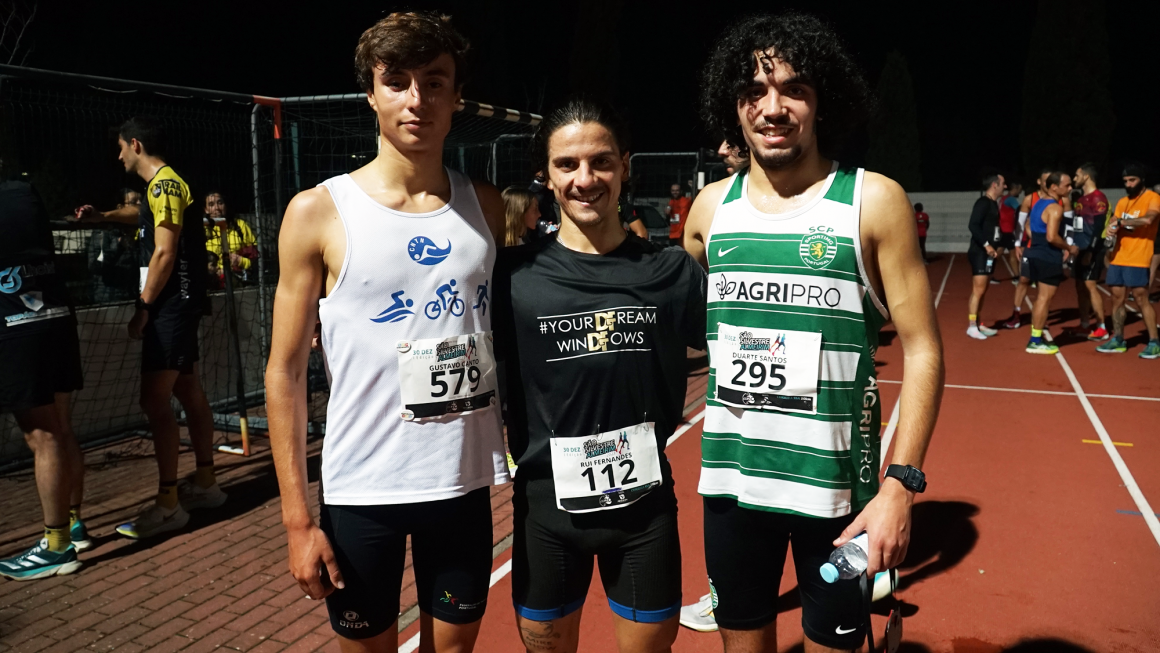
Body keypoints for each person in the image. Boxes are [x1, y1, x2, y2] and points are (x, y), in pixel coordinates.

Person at [685, 12, 944, 652]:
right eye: (754, 91)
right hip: (731, 490)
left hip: (840, 498)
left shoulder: (873, 201)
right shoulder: (710, 210)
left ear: (822, 100)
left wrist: (901, 486)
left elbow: (923, 349)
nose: (772, 108)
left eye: (793, 89)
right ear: (734, 106)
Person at [265, 13, 510, 653]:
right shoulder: (318, 212)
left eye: (434, 81)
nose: (416, 99)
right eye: (396, 81)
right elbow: (283, 371)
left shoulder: (485, 207)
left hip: (461, 485)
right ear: (371, 95)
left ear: (457, 96)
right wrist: (297, 522)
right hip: (362, 488)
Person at [493, 98, 706, 653]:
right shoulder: (511, 277)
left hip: (644, 515)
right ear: (546, 175)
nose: (584, 180)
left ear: (625, 166)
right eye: (567, 164)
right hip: (546, 515)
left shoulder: (671, 272)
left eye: (601, 162)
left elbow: (739, 341)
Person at [75, 117, 225, 539]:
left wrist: (144, 307)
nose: (118, 156)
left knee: (153, 399)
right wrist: (104, 215)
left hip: (170, 306)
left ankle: (168, 504)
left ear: (136, 145)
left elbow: (164, 253)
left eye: (121, 147)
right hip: (181, 304)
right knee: (188, 390)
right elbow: (143, 215)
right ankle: (206, 483)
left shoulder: (164, 186)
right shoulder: (160, 188)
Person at [0, 167, 90, 580]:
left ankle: (56, 547)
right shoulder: (24, 190)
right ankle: (72, 523)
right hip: (56, 315)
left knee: (42, 435)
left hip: (19, 322)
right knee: (61, 427)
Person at [1096, 166, 1160, 358]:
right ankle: (1118, 339)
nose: (1128, 184)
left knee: (1141, 298)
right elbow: (1114, 222)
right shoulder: (1123, 202)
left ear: (1142, 179)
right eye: (1125, 181)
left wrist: (1122, 222)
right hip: (1119, 257)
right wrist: (1110, 233)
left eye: (1132, 180)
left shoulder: (1152, 198)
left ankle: (1154, 341)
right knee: (1116, 298)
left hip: (1139, 257)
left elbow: (1149, 220)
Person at [1021, 171, 1077, 355]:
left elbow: (1028, 226)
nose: (1070, 188)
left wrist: (1036, 242)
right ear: (1054, 187)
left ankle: (1036, 337)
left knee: (1041, 298)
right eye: (1067, 185)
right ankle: (1035, 341)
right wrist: (1069, 247)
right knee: (1044, 299)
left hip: (1035, 252)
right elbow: (1052, 236)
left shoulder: (1038, 203)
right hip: (1047, 255)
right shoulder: (1055, 208)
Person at [1002, 169, 1052, 329]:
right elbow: (1021, 224)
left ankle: (1040, 319)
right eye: (1045, 180)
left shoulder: (1059, 200)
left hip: (1049, 248)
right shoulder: (1030, 199)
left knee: (1043, 284)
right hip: (1029, 246)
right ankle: (1016, 315)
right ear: (1039, 181)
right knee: (1023, 280)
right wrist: (1017, 244)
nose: (1048, 183)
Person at [1071, 164, 1111, 340]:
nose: (1074, 179)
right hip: (1080, 249)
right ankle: (1085, 323)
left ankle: (1102, 327)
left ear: (1086, 176)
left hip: (1092, 249)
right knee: (1080, 286)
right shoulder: (1081, 199)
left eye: (1077, 175)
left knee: (1090, 285)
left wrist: (1090, 252)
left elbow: (1098, 228)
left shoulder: (1098, 198)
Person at [966, 174, 1004, 339]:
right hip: (980, 252)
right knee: (978, 290)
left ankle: (978, 323)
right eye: (1003, 183)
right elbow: (973, 225)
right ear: (995, 185)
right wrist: (986, 245)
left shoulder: (993, 204)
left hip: (989, 253)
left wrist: (998, 244)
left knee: (983, 290)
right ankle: (971, 326)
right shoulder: (982, 203)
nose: (1005, 186)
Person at [86, 188, 140, 302]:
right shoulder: (104, 231)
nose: (139, 204)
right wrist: (118, 245)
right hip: (109, 297)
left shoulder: (140, 230)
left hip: (133, 295)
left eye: (141, 200)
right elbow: (94, 266)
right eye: (133, 202)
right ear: (120, 207)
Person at [203, 191, 259, 284]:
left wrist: (241, 260)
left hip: (238, 278)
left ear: (225, 205)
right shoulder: (202, 230)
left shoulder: (239, 225)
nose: (217, 208)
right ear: (206, 210)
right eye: (211, 204)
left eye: (220, 203)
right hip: (210, 282)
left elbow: (256, 258)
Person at [998, 181, 1022, 278]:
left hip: (1002, 228)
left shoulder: (1003, 199)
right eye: (1019, 190)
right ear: (1014, 189)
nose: (1020, 192)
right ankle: (1016, 276)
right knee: (1013, 253)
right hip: (1008, 229)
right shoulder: (1011, 199)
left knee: (999, 251)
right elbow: (1020, 210)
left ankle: (987, 268)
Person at [666, 183, 692, 247]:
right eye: (673, 190)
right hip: (673, 234)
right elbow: (668, 217)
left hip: (683, 233)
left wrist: (692, 187)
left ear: (681, 191)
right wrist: (667, 214)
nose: (675, 192)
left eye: (677, 190)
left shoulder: (686, 201)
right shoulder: (670, 202)